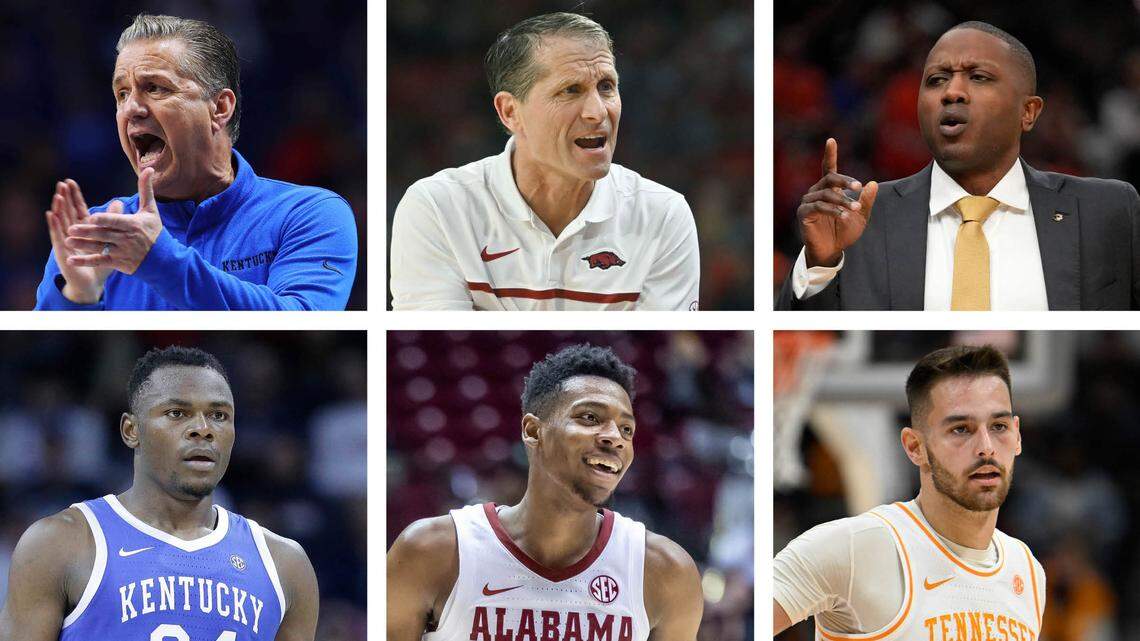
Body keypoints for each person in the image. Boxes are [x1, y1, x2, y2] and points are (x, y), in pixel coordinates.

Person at [776, 21, 1140, 310]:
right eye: (936, 80)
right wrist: (820, 263)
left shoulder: (1108, 210)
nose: (952, 92)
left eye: (978, 77)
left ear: (1028, 112)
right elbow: (805, 346)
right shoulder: (860, 218)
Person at [35, 14, 357, 311]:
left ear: (219, 108)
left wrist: (158, 258)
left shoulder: (308, 214)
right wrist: (78, 296)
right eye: (121, 94)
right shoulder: (94, 233)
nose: (131, 108)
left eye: (154, 88)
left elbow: (302, 320)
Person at [0, 346, 319, 640]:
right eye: (177, 413)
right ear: (131, 430)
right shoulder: (59, 542)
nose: (203, 428)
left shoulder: (285, 564)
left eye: (219, 415)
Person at [387, 344, 704, 639]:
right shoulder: (430, 552)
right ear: (533, 431)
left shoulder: (666, 572)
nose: (614, 438)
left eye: (626, 429)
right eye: (590, 417)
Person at [390, 13, 700, 311]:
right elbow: (436, 349)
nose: (598, 112)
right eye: (571, 90)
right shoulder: (437, 206)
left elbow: (652, 355)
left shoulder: (664, 214)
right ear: (510, 112)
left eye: (606, 86)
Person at [773, 345, 1045, 640]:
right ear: (915, 447)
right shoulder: (854, 546)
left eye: (999, 426)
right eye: (961, 429)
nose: (986, 447)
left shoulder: (1027, 569)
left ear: (1017, 436)